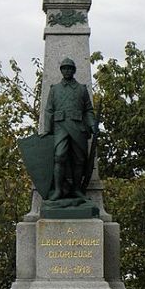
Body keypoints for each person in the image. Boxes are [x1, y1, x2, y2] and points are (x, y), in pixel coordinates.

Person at [42, 58, 96, 200]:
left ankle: (77, 189)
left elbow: (88, 110)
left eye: (70, 68)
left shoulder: (82, 89)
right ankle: (58, 190)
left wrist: (92, 125)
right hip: (60, 127)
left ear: (74, 70)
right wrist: (47, 130)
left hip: (78, 127)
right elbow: (49, 110)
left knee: (79, 160)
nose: (67, 71)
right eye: (64, 68)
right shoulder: (55, 89)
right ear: (61, 70)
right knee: (59, 156)